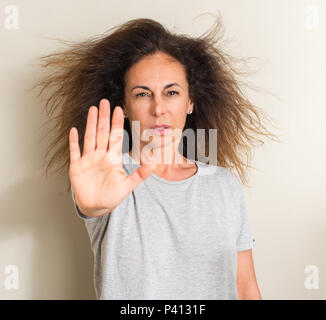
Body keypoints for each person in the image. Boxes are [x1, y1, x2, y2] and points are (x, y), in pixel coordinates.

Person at [35, 17, 278, 300]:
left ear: (190, 102)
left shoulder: (225, 185)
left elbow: (246, 286)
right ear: (124, 105)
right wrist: (91, 208)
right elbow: (94, 202)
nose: (158, 108)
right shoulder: (108, 177)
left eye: (172, 92)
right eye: (142, 94)